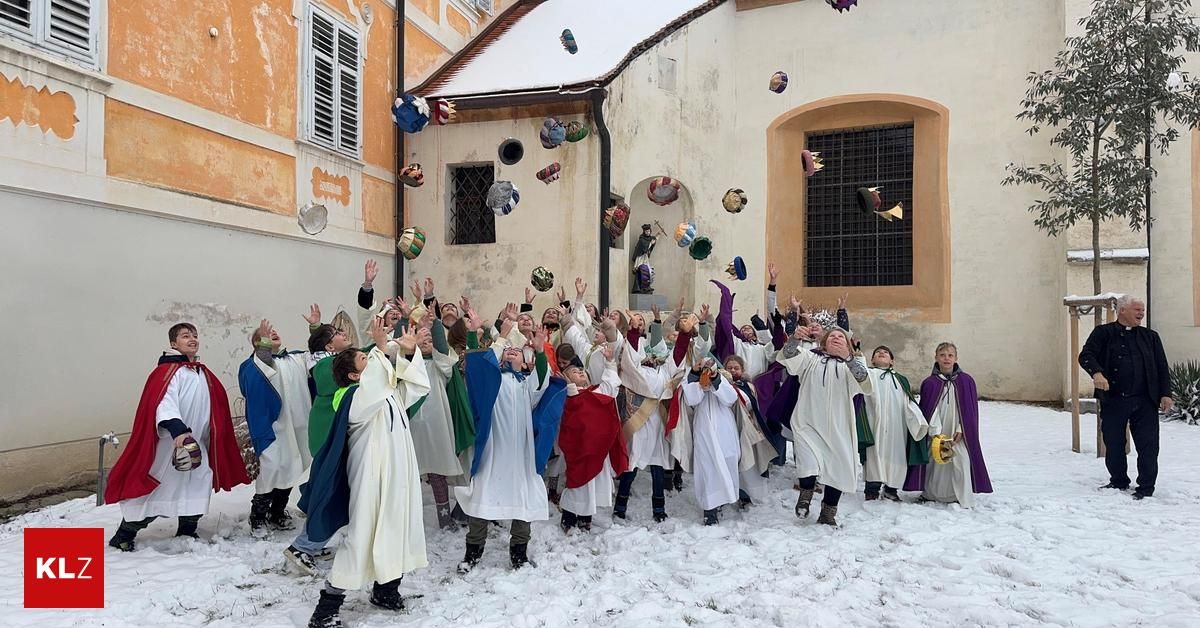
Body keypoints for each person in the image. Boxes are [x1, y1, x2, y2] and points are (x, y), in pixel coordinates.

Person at [303, 318, 431, 627]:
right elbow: (376, 381)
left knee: (397, 527)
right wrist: (382, 345)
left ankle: (386, 590)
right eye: (365, 357)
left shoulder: (388, 395)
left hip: (398, 475)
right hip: (371, 478)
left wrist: (409, 354)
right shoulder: (351, 398)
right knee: (363, 534)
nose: (373, 356)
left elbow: (415, 386)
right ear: (353, 375)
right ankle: (327, 608)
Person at [105, 323, 250, 551]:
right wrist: (179, 430)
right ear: (174, 344)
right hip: (169, 445)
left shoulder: (200, 372)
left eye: (194, 335)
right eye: (185, 336)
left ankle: (187, 531)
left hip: (195, 445)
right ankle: (124, 534)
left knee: (198, 484)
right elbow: (164, 404)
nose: (192, 339)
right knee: (156, 489)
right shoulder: (167, 373)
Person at [456, 325, 567, 572]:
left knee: (522, 499)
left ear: (523, 361)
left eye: (517, 351)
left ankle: (519, 553)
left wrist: (539, 351)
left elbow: (542, 379)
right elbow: (476, 366)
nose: (511, 352)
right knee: (482, 496)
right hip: (493, 452)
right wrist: (473, 333)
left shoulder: (526, 386)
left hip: (520, 454)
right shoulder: (491, 383)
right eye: (507, 350)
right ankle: (472, 553)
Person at [775, 327, 872, 526]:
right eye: (832, 336)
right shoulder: (811, 358)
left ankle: (828, 512)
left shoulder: (853, 363)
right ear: (824, 342)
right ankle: (805, 494)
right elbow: (789, 355)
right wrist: (795, 338)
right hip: (807, 421)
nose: (836, 338)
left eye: (841, 337)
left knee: (839, 468)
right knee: (808, 461)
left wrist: (849, 358)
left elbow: (864, 381)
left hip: (839, 426)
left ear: (848, 344)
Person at [1078, 296, 1172, 499]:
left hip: (1145, 399)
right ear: (1122, 311)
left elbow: (1162, 367)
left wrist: (1165, 393)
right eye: (1137, 309)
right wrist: (1096, 373)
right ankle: (1118, 481)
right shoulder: (1103, 333)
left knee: (1148, 445)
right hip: (1114, 398)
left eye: (1143, 309)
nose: (1141, 313)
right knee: (1114, 442)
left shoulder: (1151, 337)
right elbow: (1086, 355)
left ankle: (1146, 487)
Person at [238, 318, 314, 533]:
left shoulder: (296, 359)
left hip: (299, 424)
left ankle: (278, 511)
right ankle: (258, 516)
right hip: (272, 427)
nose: (273, 334)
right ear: (256, 344)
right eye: (265, 335)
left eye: (274, 332)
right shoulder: (253, 365)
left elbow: (320, 356)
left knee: (294, 467)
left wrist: (315, 329)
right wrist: (264, 346)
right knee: (272, 468)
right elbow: (255, 379)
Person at [903, 343, 993, 507]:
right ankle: (931, 493)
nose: (946, 358)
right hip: (937, 430)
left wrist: (961, 429)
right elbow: (929, 409)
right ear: (936, 357)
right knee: (935, 460)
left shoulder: (967, 381)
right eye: (943, 355)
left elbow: (970, 410)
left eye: (950, 355)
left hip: (959, 431)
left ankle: (958, 494)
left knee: (961, 459)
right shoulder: (929, 383)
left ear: (956, 358)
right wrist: (935, 432)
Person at [557, 347, 629, 532]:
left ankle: (585, 519)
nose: (580, 371)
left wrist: (610, 361)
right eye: (574, 371)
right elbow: (571, 414)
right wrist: (570, 388)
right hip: (580, 452)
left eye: (581, 370)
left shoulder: (595, 393)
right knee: (578, 486)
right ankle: (569, 519)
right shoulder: (568, 398)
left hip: (598, 452)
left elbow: (611, 385)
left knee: (592, 486)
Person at [861, 346, 928, 502]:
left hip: (897, 426)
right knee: (873, 455)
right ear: (872, 360)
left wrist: (918, 421)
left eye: (886, 352)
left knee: (896, 456)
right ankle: (871, 489)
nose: (882, 353)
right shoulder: (869, 374)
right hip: (874, 422)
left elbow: (908, 402)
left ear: (892, 361)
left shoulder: (900, 379)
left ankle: (891, 489)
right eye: (877, 352)